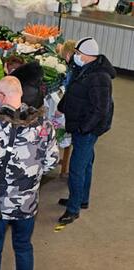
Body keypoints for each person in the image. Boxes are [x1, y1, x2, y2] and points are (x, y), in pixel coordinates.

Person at [0, 76, 59, 270]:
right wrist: (30, 176)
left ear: (0, 96)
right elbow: (52, 161)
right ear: (20, 94)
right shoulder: (43, 123)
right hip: (28, 202)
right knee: (23, 247)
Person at [57, 37, 115, 224]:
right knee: (87, 163)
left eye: (78, 54)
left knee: (77, 168)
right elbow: (74, 90)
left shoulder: (100, 77)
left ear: (88, 56)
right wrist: (62, 106)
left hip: (87, 128)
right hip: (81, 124)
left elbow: (101, 109)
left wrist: (83, 129)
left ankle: (73, 209)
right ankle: (82, 199)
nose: (76, 57)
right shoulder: (85, 69)